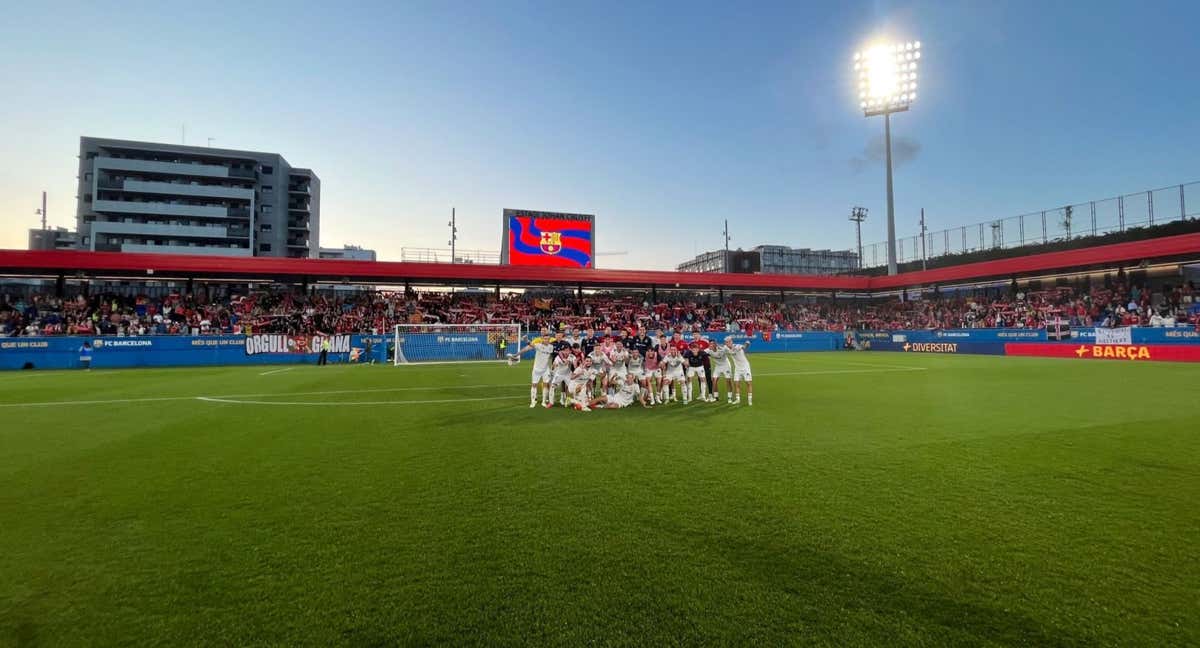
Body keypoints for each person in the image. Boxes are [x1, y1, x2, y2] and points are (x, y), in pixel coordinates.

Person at [513, 327, 556, 407]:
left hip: (545, 369)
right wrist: (525, 339)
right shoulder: (538, 345)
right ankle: (533, 401)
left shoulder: (551, 347)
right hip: (536, 369)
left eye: (547, 339)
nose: (546, 340)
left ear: (549, 340)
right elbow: (530, 344)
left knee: (546, 384)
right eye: (545, 339)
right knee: (534, 384)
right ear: (542, 339)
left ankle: (543, 401)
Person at [724, 336, 754, 406]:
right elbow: (720, 347)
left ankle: (749, 400)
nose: (728, 343)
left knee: (748, 383)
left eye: (729, 341)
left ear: (732, 341)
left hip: (745, 367)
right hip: (737, 368)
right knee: (736, 384)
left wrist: (747, 343)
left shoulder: (737, 346)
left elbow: (744, 347)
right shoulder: (726, 348)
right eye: (727, 342)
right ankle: (738, 399)